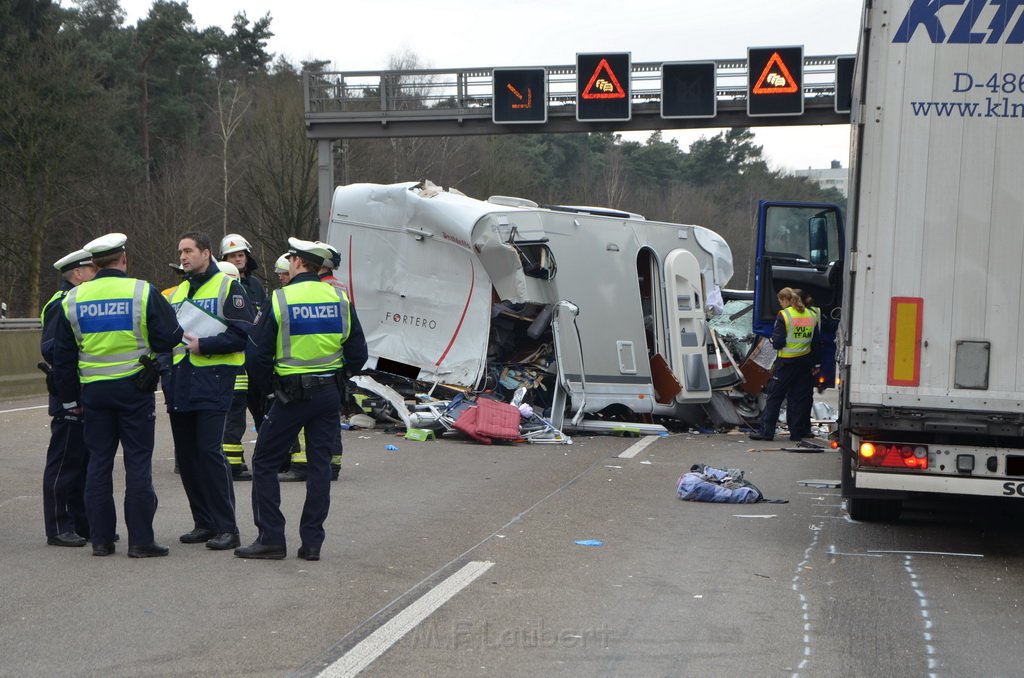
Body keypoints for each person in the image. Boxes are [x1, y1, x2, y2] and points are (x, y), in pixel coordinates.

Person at [235, 237, 367, 561]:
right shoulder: (339, 297)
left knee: (264, 461)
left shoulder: (280, 299)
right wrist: (336, 376)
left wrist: (270, 390)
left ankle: (271, 538)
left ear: (297, 263)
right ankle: (312, 543)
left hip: (290, 395)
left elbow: (257, 356)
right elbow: (358, 353)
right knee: (319, 465)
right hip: (328, 394)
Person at [52, 233, 183, 557]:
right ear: (124, 259)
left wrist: (71, 400)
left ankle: (101, 540)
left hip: (94, 393)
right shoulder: (141, 291)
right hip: (134, 390)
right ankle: (140, 540)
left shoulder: (72, 300)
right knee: (138, 463)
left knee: (98, 464)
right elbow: (170, 337)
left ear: (94, 264)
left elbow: (63, 359)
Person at [166, 233, 253, 550]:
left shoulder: (229, 287)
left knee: (208, 453)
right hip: (180, 382)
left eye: (188, 251)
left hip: (214, 379)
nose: (183, 256)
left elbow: (242, 334)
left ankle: (227, 527)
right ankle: (203, 522)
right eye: (180, 252)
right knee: (187, 458)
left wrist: (206, 345)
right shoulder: (178, 292)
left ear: (206, 253)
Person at [40, 248, 96, 547]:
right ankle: (59, 525)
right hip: (67, 392)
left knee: (84, 460)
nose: (95, 274)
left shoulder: (78, 301)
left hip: (83, 391)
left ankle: (82, 523)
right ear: (78, 274)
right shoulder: (61, 303)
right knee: (64, 462)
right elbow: (51, 346)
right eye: (91, 270)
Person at [278, 242, 346, 483]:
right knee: (328, 426)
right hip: (332, 374)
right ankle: (331, 465)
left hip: (300, 376)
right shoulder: (338, 290)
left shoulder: (316, 290)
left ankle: (305, 465)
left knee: (302, 429)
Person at [749, 287, 820, 442]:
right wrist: (816, 364)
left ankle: (766, 433)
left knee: (775, 397)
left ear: (785, 300)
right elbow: (816, 342)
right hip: (804, 363)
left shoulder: (785, 315)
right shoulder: (812, 315)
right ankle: (797, 433)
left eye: (780, 301)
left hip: (786, 363)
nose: (780, 304)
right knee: (798, 399)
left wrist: (774, 340)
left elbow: (779, 342)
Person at [216, 260, 255, 481]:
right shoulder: (237, 302)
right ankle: (232, 465)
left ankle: (231, 460)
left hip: (215, 375)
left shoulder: (213, 303)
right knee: (234, 422)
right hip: (237, 373)